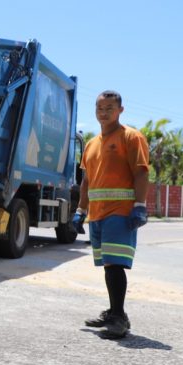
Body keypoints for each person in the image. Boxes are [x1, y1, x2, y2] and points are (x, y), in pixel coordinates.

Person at [72, 90, 150, 339]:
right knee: (108, 265)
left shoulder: (131, 137)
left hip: (121, 212)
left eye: (109, 108)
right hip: (98, 214)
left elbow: (141, 172)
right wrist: (80, 211)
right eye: (99, 108)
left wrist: (140, 205)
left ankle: (118, 320)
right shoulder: (92, 144)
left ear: (120, 110)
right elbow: (86, 181)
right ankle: (117, 313)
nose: (103, 113)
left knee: (116, 264)